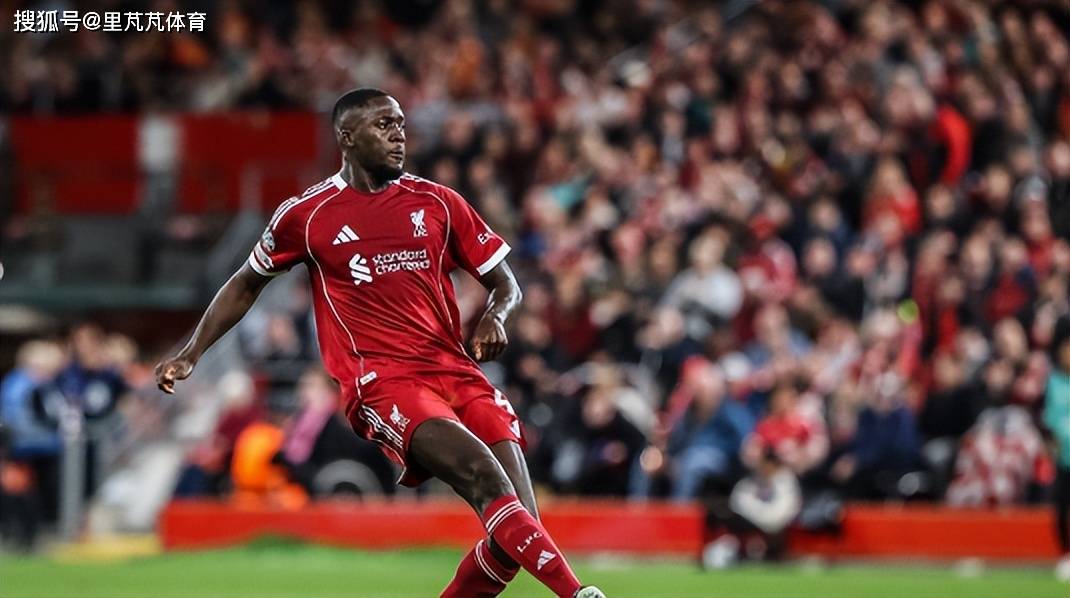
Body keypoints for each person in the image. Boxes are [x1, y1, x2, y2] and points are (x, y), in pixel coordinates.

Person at [155, 88, 604, 598]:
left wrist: (496, 317)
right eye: (384, 125)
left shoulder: (437, 202)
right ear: (347, 138)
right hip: (383, 381)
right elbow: (244, 284)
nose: (399, 135)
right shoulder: (307, 215)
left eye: (401, 124)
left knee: (518, 532)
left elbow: (506, 283)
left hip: (456, 371)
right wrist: (192, 352)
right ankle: (578, 594)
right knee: (484, 476)